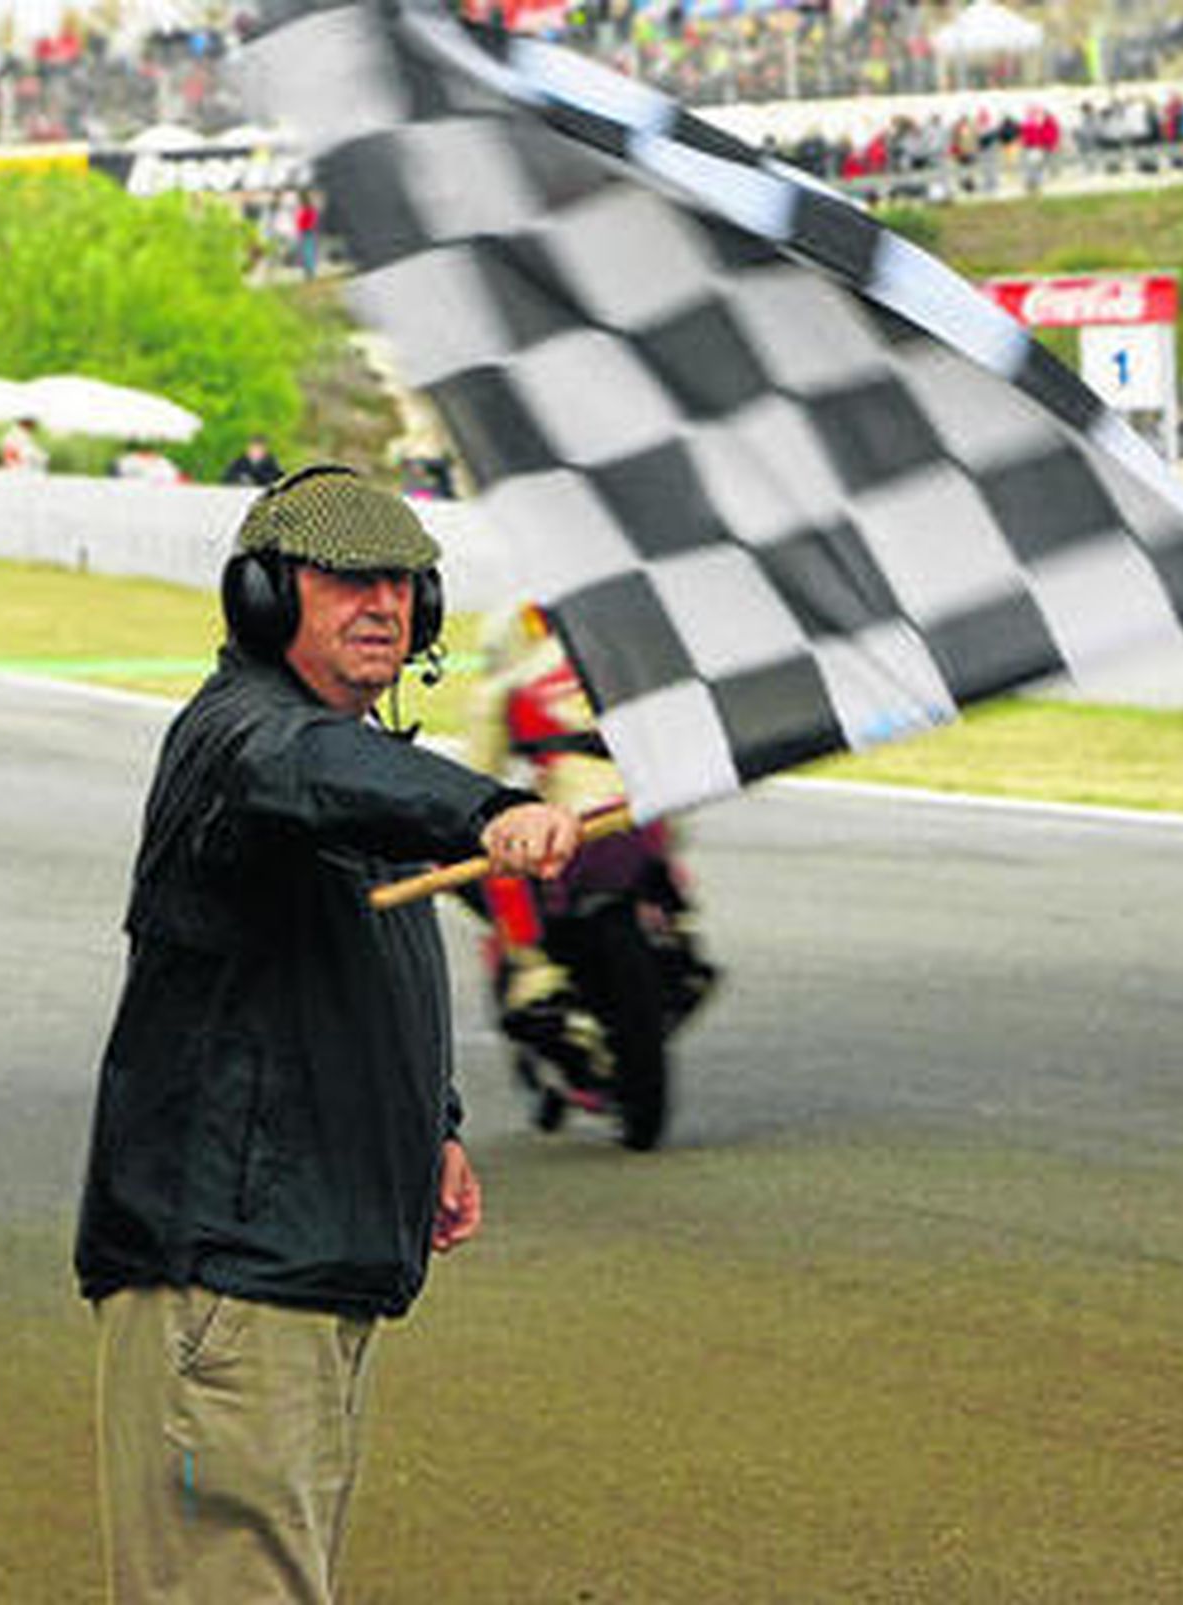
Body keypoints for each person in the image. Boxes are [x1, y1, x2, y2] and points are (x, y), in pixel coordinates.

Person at [73, 465, 582, 1604]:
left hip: (295, 1278)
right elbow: (313, 773)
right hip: (229, 1288)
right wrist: (490, 808)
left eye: (405, 583)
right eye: (348, 579)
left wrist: (434, 1129)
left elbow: (350, 962)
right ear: (262, 599)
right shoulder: (246, 741)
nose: (386, 606)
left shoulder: (350, 764)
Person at [467, 603, 717, 1150]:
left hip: (569, 837)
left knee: (491, 855)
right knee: (665, 874)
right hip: (639, 826)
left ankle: (536, 976)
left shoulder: (504, 686)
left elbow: (474, 789)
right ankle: (679, 939)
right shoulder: (629, 673)